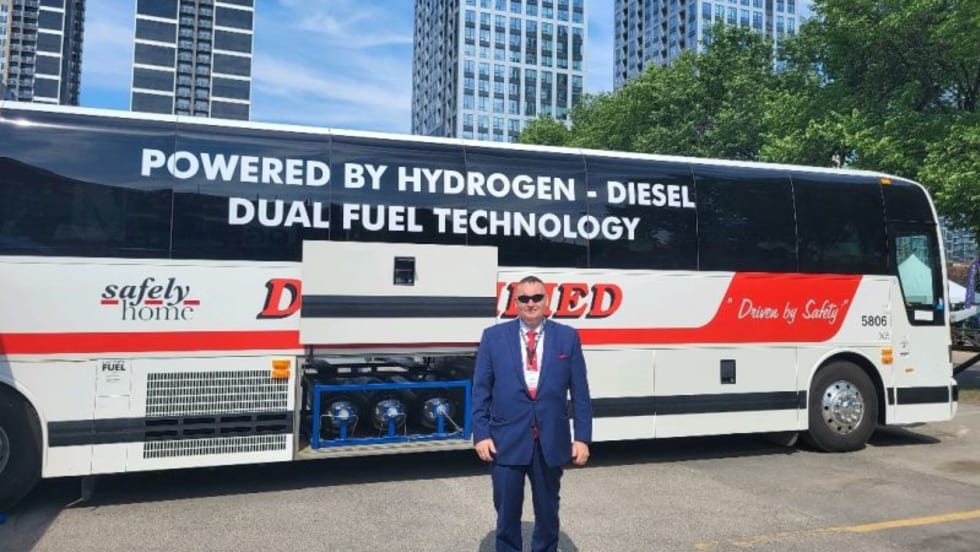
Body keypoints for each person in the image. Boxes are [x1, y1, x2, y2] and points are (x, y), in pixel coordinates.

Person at [472, 275, 593, 552]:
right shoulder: (493, 337)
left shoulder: (567, 337)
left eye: (536, 297)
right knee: (506, 515)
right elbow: (481, 390)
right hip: (505, 441)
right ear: (515, 302)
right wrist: (481, 434)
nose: (530, 303)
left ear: (546, 300)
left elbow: (581, 392)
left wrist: (582, 438)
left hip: (550, 442)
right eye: (524, 298)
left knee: (548, 514)